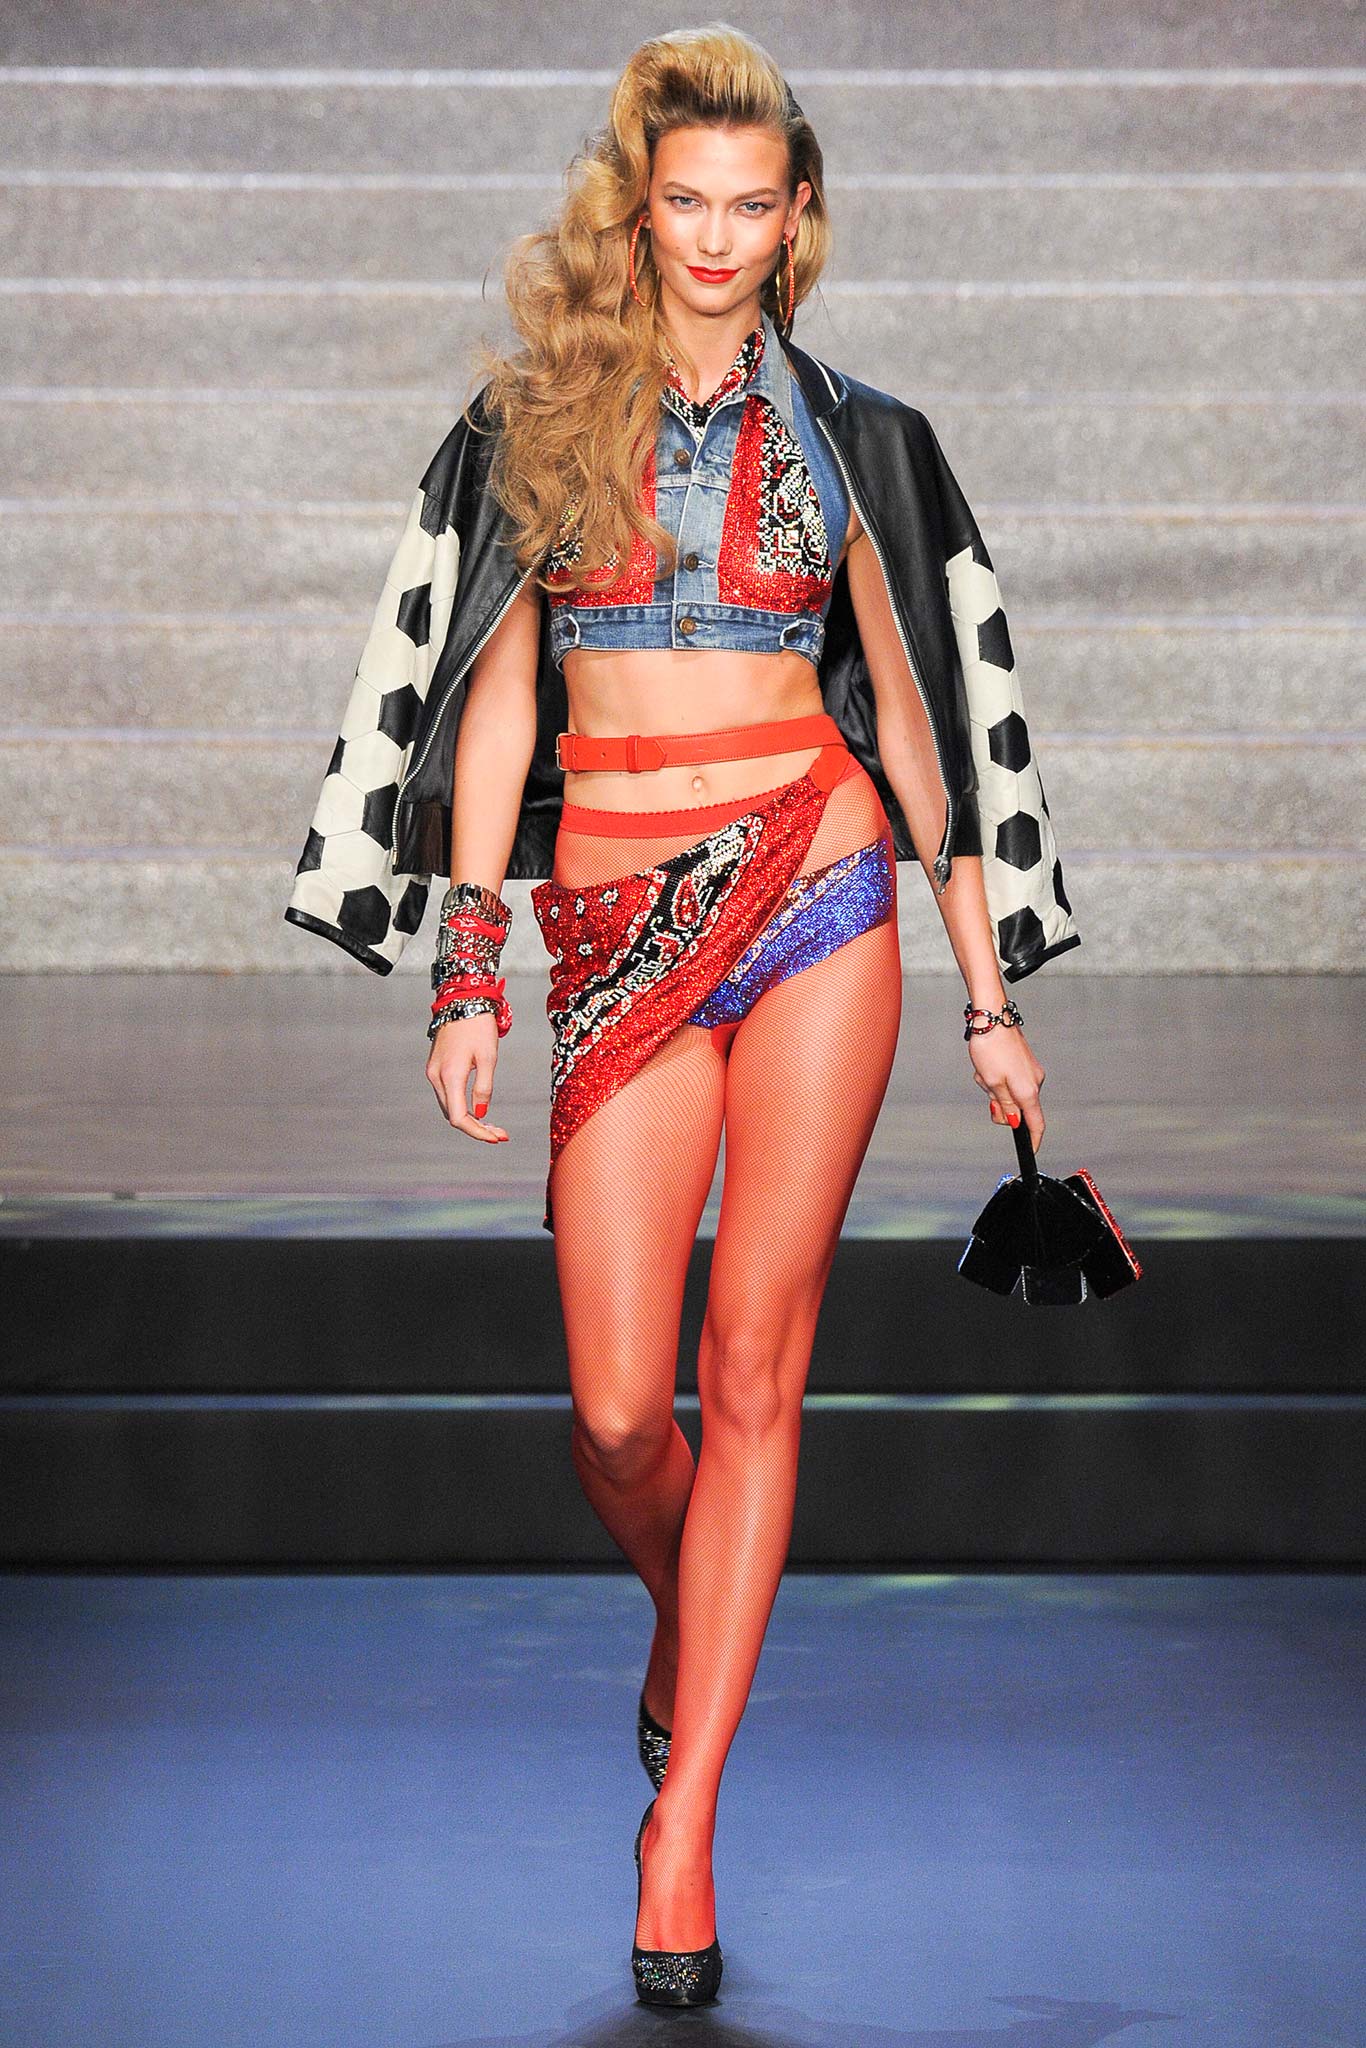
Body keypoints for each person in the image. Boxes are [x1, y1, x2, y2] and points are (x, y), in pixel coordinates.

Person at [287, 21, 1077, 2011]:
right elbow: (494, 697)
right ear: (632, 212)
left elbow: (914, 716)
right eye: (683, 204)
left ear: (795, 218)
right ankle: (684, 1619)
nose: (716, 237)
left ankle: (683, 1821)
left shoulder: (860, 437)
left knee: (753, 1371)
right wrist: (470, 965)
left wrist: (983, 994)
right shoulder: (539, 419)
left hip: (817, 882)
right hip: (615, 921)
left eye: (750, 206)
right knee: (622, 1412)